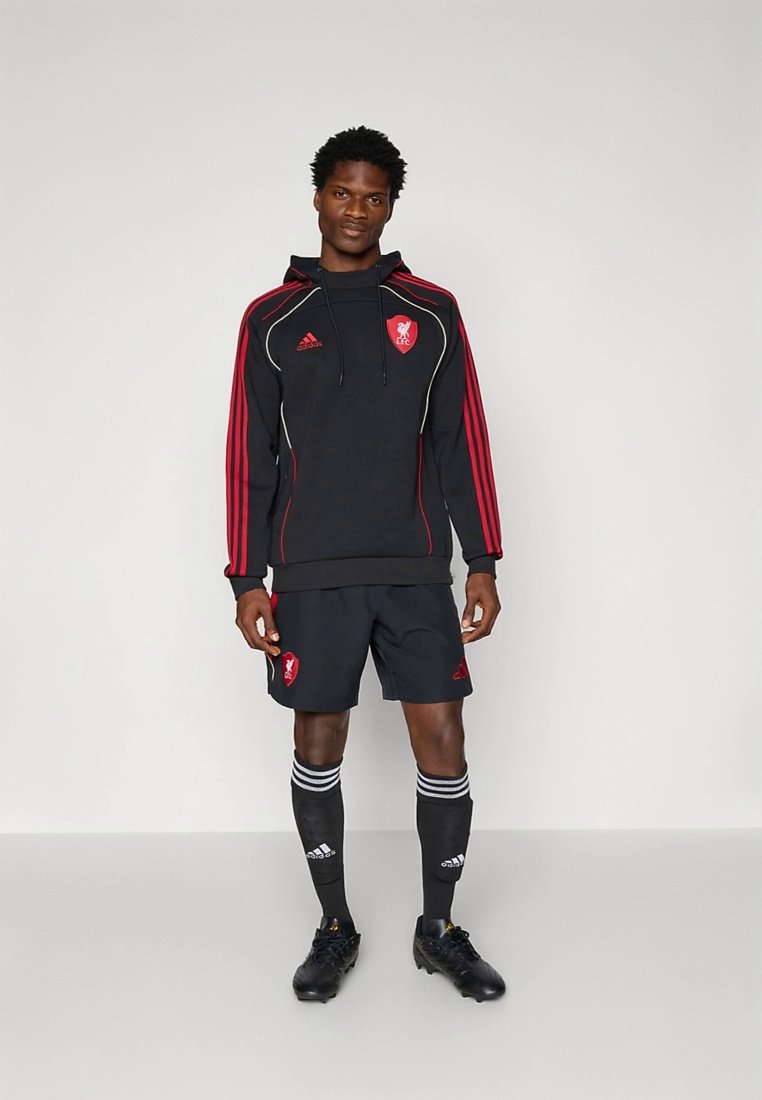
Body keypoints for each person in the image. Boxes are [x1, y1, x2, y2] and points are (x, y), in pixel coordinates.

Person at [224, 125, 506, 1003]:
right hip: (311, 572)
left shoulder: (433, 311)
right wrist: (246, 578)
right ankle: (334, 926)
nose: (356, 209)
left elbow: (462, 441)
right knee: (318, 740)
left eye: (373, 196)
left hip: (415, 567)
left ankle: (439, 930)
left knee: (444, 739)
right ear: (317, 197)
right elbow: (250, 456)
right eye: (342, 193)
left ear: (391, 206)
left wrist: (482, 559)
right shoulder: (271, 320)